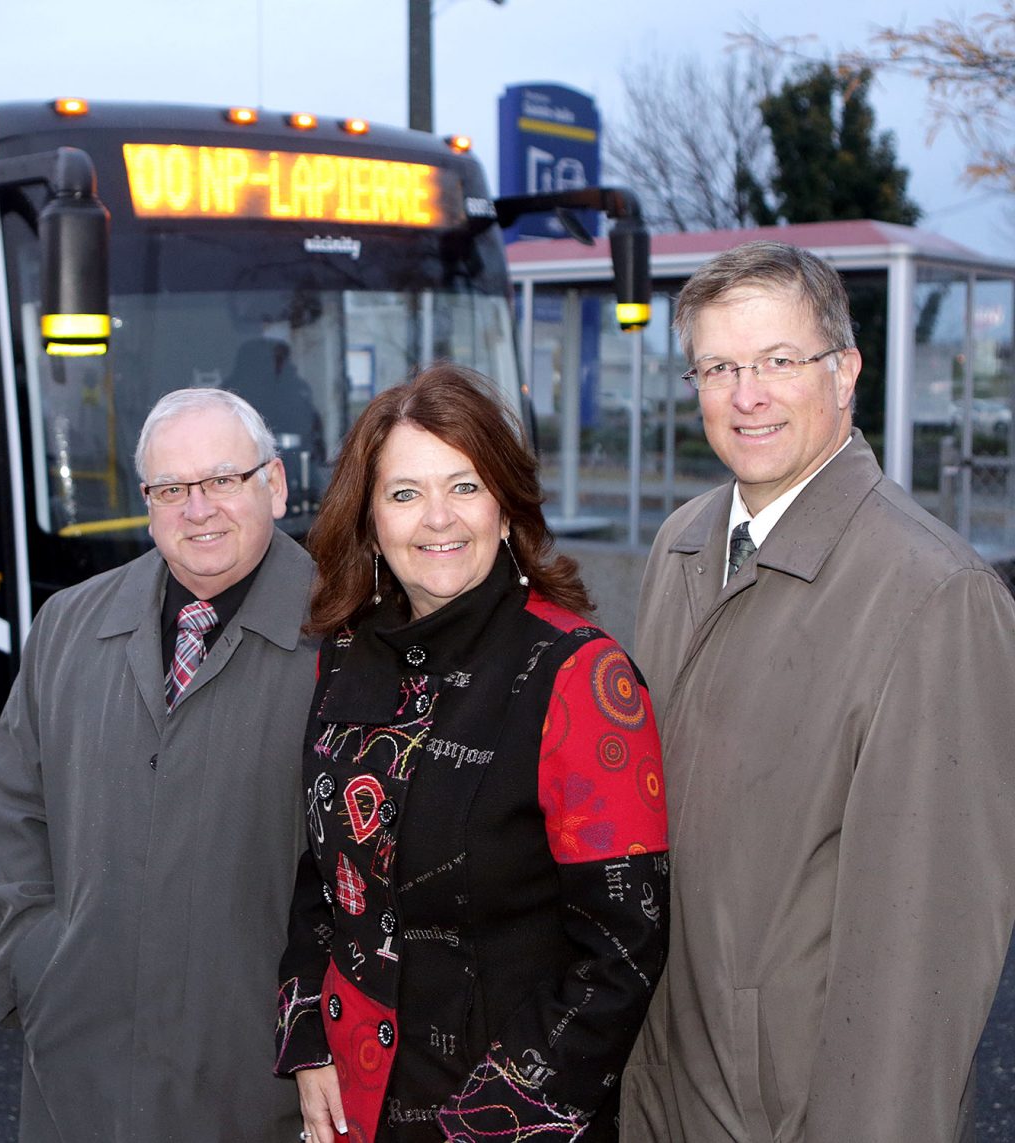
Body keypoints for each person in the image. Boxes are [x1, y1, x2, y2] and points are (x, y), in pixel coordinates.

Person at [619, 241, 1015, 1142]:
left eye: (778, 362)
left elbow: (924, 965)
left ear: (846, 373)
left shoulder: (933, 596)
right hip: (660, 1087)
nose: (746, 394)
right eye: (720, 366)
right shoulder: (683, 545)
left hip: (792, 1114)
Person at [276, 364, 670, 1142]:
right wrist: (307, 1034)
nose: (437, 519)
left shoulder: (580, 676)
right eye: (404, 492)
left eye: (464, 485)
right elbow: (326, 870)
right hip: (354, 1097)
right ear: (368, 520)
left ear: (505, 505)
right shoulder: (345, 652)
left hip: (507, 1116)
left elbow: (624, 947)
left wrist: (494, 1121)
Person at [0, 387, 318, 1142]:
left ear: (276, 483)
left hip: (253, 1090)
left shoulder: (347, 643)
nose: (198, 509)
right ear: (147, 501)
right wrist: (36, 964)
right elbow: (16, 809)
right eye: (172, 489)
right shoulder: (69, 622)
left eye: (223, 480)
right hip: (79, 1074)